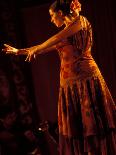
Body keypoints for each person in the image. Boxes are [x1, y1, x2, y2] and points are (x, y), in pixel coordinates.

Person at [2, 0, 116, 154]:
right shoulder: (66, 31)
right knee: (79, 129)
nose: (51, 19)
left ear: (60, 13)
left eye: (51, 15)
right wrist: (19, 51)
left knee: (93, 126)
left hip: (85, 80)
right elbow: (42, 47)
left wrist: (37, 49)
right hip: (69, 86)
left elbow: (54, 39)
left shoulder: (80, 22)